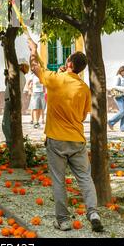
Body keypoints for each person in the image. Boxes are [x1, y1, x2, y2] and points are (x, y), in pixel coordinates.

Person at [28, 38, 104, 233]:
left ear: (69, 64)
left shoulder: (55, 79)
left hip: (56, 139)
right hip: (77, 139)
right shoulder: (84, 88)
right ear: (81, 69)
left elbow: (35, 67)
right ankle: (93, 213)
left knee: (59, 180)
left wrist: (34, 50)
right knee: (85, 178)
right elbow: (82, 115)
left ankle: (63, 221)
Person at [2, 58, 29, 149]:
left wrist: (9, 76)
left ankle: (11, 146)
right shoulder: (18, 75)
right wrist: (7, 76)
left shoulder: (18, 75)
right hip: (11, 100)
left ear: (20, 66)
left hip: (11, 101)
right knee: (9, 125)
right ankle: (12, 145)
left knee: (6, 125)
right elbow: (8, 86)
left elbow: (14, 89)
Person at [108, 66, 124, 131]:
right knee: (122, 111)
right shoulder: (118, 77)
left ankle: (123, 128)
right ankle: (111, 122)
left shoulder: (122, 77)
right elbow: (114, 86)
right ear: (121, 71)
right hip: (118, 96)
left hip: (123, 95)